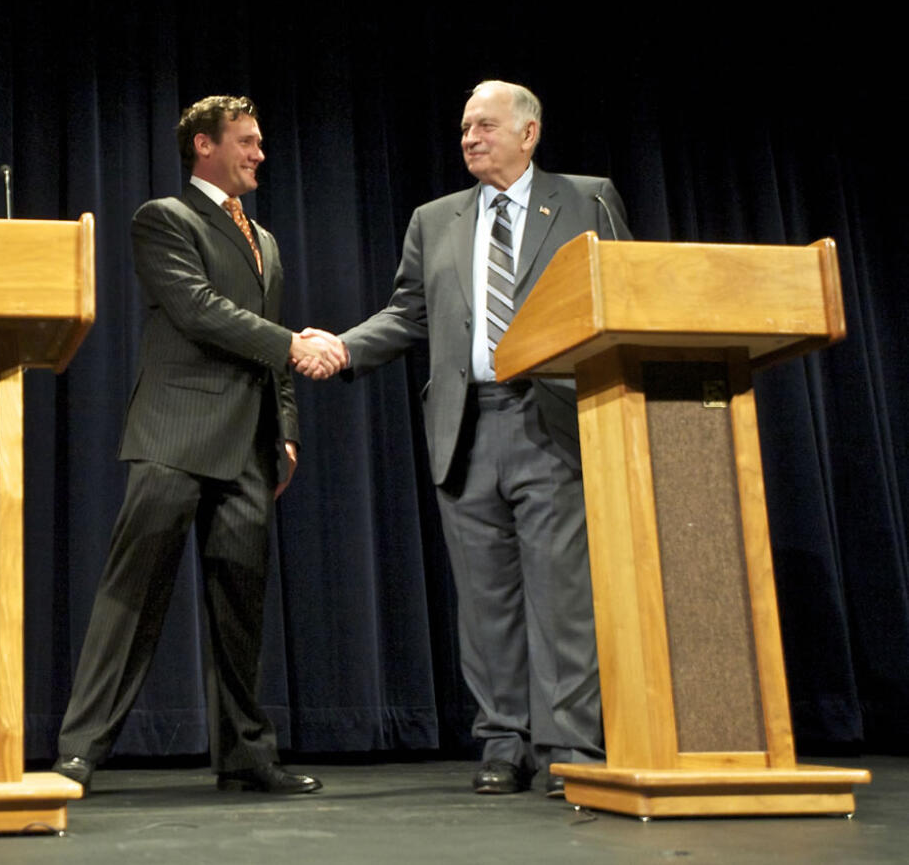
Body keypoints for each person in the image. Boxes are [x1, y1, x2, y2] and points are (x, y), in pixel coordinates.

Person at [299, 80, 631, 797]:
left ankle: (568, 743)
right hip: (468, 423)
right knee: (486, 599)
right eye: (463, 129)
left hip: (554, 418)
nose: (470, 138)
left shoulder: (585, 199)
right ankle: (503, 740)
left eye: (484, 126)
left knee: (562, 592)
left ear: (529, 133)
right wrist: (345, 347)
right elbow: (408, 313)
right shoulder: (436, 219)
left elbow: (626, 294)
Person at [53, 95, 342, 796]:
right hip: (175, 434)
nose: (259, 153)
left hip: (248, 447)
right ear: (205, 146)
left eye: (260, 141)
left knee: (240, 605)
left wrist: (288, 431)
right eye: (247, 141)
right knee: (133, 596)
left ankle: (245, 753)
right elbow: (198, 309)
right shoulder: (163, 219)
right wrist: (294, 345)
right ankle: (79, 751)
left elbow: (267, 349)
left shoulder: (265, 239)